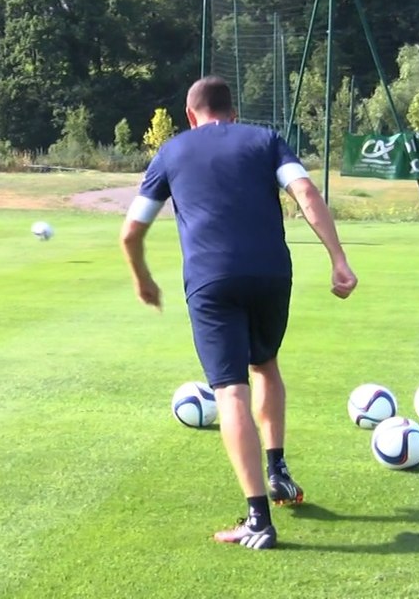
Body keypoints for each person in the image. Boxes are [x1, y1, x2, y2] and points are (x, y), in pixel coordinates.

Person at [119, 76, 357, 550]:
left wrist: (143, 279)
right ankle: (279, 470)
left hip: (212, 281)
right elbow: (306, 194)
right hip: (272, 274)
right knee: (264, 363)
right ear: (232, 111)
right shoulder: (266, 139)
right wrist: (338, 260)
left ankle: (258, 521)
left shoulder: (172, 151)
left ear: (191, 115)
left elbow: (130, 232)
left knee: (229, 391)